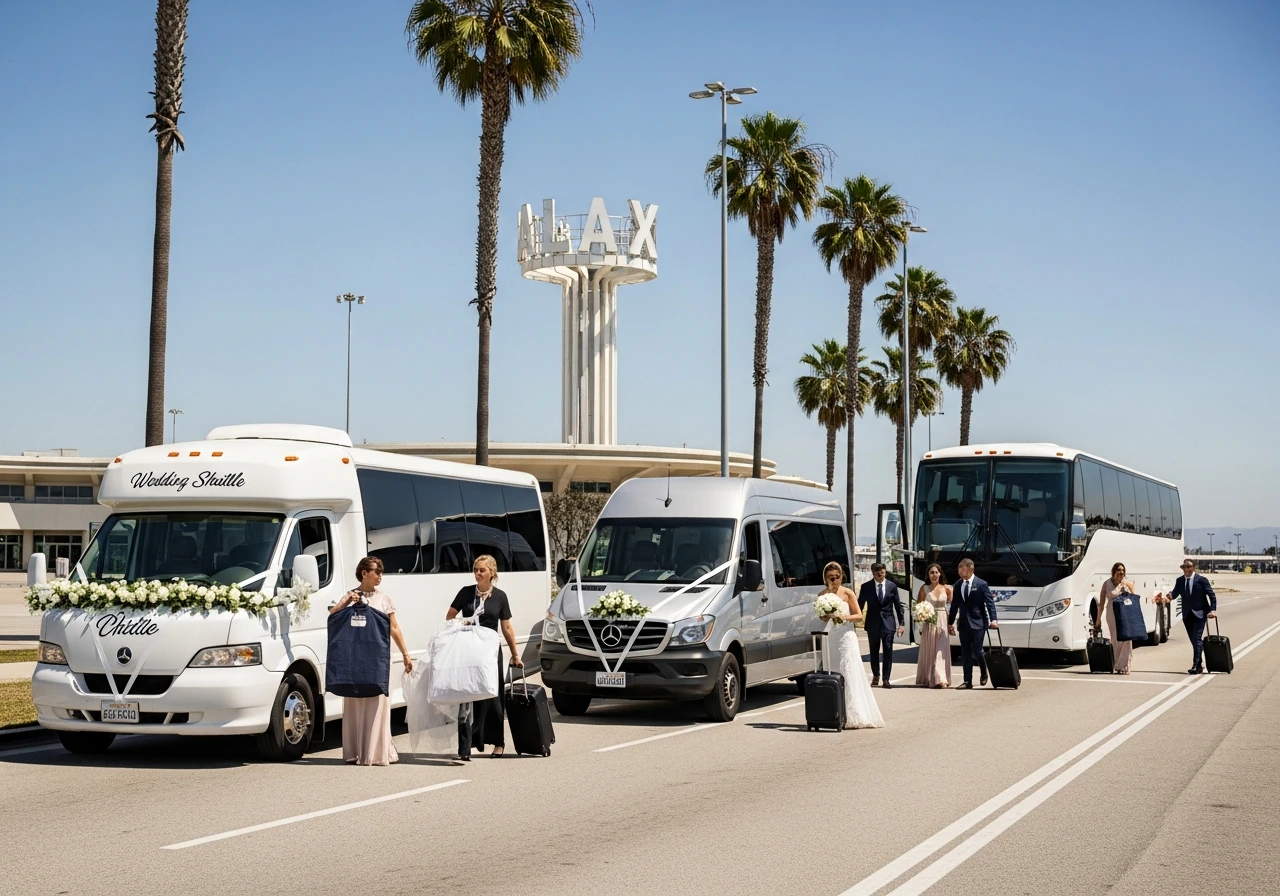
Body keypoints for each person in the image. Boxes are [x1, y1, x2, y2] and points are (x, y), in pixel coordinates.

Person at [329, 556, 413, 766]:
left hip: (378, 660)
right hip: (354, 660)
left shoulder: (384, 598)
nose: (380, 577)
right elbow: (333, 618)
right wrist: (346, 602)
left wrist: (405, 654)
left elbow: (394, 627)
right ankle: (356, 751)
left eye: (381, 572)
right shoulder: (351, 595)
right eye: (377, 572)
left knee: (377, 702)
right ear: (364, 573)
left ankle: (375, 752)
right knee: (355, 702)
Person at [446, 554, 524, 759]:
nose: (477, 573)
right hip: (468, 650)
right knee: (467, 695)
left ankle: (498, 742)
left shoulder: (500, 596)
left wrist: (516, 654)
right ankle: (466, 747)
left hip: (489, 652)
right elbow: (450, 616)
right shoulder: (465, 593)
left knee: (493, 696)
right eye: (475, 570)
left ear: (492, 573)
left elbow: (506, 626)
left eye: (482, 570)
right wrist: (463, 623)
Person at [816, 561, 885, 728]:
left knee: (849, 671)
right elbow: (822, 618)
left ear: (842, 577)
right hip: (831, 636)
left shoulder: (848, 593)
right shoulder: (822, 595)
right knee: (834, 671)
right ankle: (835, 712)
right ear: (825, 578)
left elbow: (859, 615)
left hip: (846, 635)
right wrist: (826, 615)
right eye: (831, 577)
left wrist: (844, 617)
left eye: (837, 577)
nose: (834, 580)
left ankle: (854, 713)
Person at [1157, 559, 1217, 674]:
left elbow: (1211, 595)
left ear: (1193, 568)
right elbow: (1174, 593)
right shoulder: (1180, 581)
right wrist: (1167, 597)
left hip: (1200, 614)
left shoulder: (1202, 580)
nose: (1186, 570)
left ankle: (1195, 664)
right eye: (1184, 568)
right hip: (1187, 614)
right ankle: (1199, 664)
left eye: (1188, 567)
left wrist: (1212, 610)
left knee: (1197, 638)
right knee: (1194, 640)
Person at [947, 558, 998, 689]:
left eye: (962, 569)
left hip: (978, 622)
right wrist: (950, 622)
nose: (959, 572)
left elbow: (990, 603)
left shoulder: (981, 584)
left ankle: (983, 670)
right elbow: (954, 606)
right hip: (963, 623)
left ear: (970, 569)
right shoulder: (957, 585)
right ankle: (967, 681)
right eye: (958, 569)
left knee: (977, 651)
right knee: (965, 652)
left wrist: (994, 620)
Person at [857, 563, 905, 688]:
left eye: (882, 573)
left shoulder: (892, 586)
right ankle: (876, 675)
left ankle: (886, 679)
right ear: (872, 573)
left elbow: (898, 606)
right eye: (877, 574)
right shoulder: (866, 587)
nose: (879, 576)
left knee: (888, 651)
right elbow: (859, 605)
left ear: (885, 572)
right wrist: (854, 620)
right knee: (874, 651)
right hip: (872, 623)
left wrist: (902, 623)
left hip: (888, 624)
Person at [914, 563, 953, 688]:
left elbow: (951, 606)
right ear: (928, 575)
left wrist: (951, 623)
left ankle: (940, 679)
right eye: (932, 573)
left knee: (941, 650)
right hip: (930, 621)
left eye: (936, 572)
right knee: (931, 650)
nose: (934, 575)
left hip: (943, 620)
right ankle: (931, 677)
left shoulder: (947, 588)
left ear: (940, 574)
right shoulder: (924, 588)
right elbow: (918, 605)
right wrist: (922, 614)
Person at [1097, 562, 1137, 674]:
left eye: (1123, 570)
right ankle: (1117, 665)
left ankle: (1125, 665)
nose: (1121, 572)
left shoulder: (1127, 583)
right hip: (1112, 614)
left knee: (1127, 639)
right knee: (1116, 639)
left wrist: (1127, 587)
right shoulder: (1107, 584)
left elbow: (1134, 599)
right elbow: (1101, 603)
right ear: (1114, 571)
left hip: (1125, 614)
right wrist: (1098, 620)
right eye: (1119, 570)